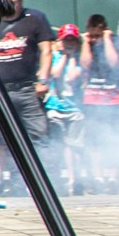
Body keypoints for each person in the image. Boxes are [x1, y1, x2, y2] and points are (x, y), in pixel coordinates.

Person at [0, 0, 52, 195]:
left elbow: (47, 51)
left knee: (37, 135)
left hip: (27, 88)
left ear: (21, 0)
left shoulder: (35, 19)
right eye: (5, 2)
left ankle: (40, 180)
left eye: (13, 2)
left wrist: (43, 80)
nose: (8, 7)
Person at [77, 14, 119, 192]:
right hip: (93, 97)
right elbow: (85, 64)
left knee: (114, 139)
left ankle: (113, 178)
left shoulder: (116, 41)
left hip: (114, 97)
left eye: (99, 34)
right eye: (93, 35)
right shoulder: (87, 45)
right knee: (94, 140)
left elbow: (114, 63)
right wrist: (85, 42)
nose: (95, 38)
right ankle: (98, 177)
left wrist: (106, 40)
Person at [44, 24, 87, 194]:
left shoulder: (79, 59)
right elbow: (55, 74)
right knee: (58, 145)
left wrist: (72, 57)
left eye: (72, 40)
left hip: (74, 109)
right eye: (66, 40)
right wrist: (63, 56)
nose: (69, 43)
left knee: (74, 145)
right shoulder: (54, 57)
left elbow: (72, 77)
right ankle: (60, 179)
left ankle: (75, 179)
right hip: (56, 107)